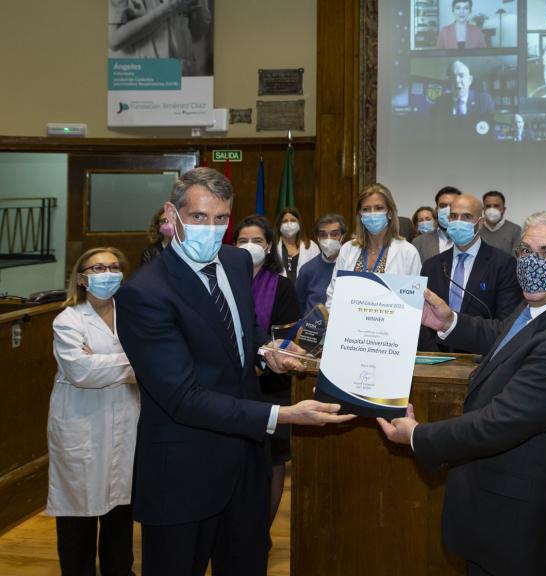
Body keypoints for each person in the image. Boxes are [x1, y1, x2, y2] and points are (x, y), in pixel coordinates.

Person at [115, 167, 353, 576]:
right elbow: (182, 397)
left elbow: (243, 329)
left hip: (245, 463)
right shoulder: (144, 292)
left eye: (221, 218)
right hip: (184, 470)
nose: (211, 228)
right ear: (171, 215)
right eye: (198, 217)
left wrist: (267, 351)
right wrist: (282, 415)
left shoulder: (236, 260)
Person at [378, 208, 546, 576]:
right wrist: (449, 322)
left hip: (521, 522)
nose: (532, 263)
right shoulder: (544, 304)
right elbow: (505, 337)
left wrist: (417, 436)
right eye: (526, 251)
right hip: (497, 507)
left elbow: (497, 423)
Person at [47, 247, 137, 576]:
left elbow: (153, 359)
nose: (107, 274)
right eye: (98, 269)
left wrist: (101, 361)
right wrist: (133, 365)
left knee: (120, 514)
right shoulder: (68, 320)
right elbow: (81, 372)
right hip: (81, 423)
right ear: (82, 279)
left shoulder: (134, 316)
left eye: (114, 267)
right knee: (78, 515)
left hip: (126, 420)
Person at [234, 215, 302, 540]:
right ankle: (237, 532)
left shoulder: (281, 285)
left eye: (256, 241)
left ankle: (261, 534)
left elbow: (286, 337)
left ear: (269, 246)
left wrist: (262, 362)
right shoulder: (223, 282)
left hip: (271, 385)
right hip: (232, 387)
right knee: (239, 462)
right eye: (242, 241)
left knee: (273, 461)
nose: (249, 247)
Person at [419, 194, 521, 352]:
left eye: (466, 217)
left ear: (480, 223)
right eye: (453, 216)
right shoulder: (431, 266)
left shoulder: (504, 264)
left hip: (480, 357)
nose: (458, 222)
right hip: (437, 356)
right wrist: (436, 357)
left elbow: (505, 324)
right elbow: (422, 320)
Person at [326, 183, 422, 308]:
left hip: (390, 319)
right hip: (349, 319)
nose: (372, 214)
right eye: (366, 209)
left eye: (378, 208)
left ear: (390, 213)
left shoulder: (408, 252)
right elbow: (333, 295)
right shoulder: (347, 249)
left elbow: (413, 302)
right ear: (360, 214)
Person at [108, 0, 211, 76]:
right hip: (142, 77)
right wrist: (169, 7)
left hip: (181, 73)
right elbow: (114, 41)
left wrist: (197, 11)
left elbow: (196, 36)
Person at [295, 212, 346, 314]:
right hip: (312, 324)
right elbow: (298, 305)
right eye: (323, 235)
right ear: (316, 237)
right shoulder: (307, 270)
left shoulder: (350, 265)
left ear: (343, 236)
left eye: (334, 234)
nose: (328, 239)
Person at [413, 186, 462, 262]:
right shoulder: (419, 242)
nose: (447, 210)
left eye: (453, 205)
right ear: (436, 210)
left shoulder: (473, 239)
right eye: (443, 206)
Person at [274, 207, 320, 283]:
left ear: (299, 223)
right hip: (277, 289)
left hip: (305, 289)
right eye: (285, 221)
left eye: (293, 220)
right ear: (279, 225)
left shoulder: (311, 247)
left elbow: (318, 272)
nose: (289, 224)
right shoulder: (272, 246)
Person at [480, 190, 522, 255]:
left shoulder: (515, 230)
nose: (492, 210)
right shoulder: (476, 229)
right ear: (483, 209)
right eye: (488, 206)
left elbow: (516, 257)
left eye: (496, 206)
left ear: (503, 209)